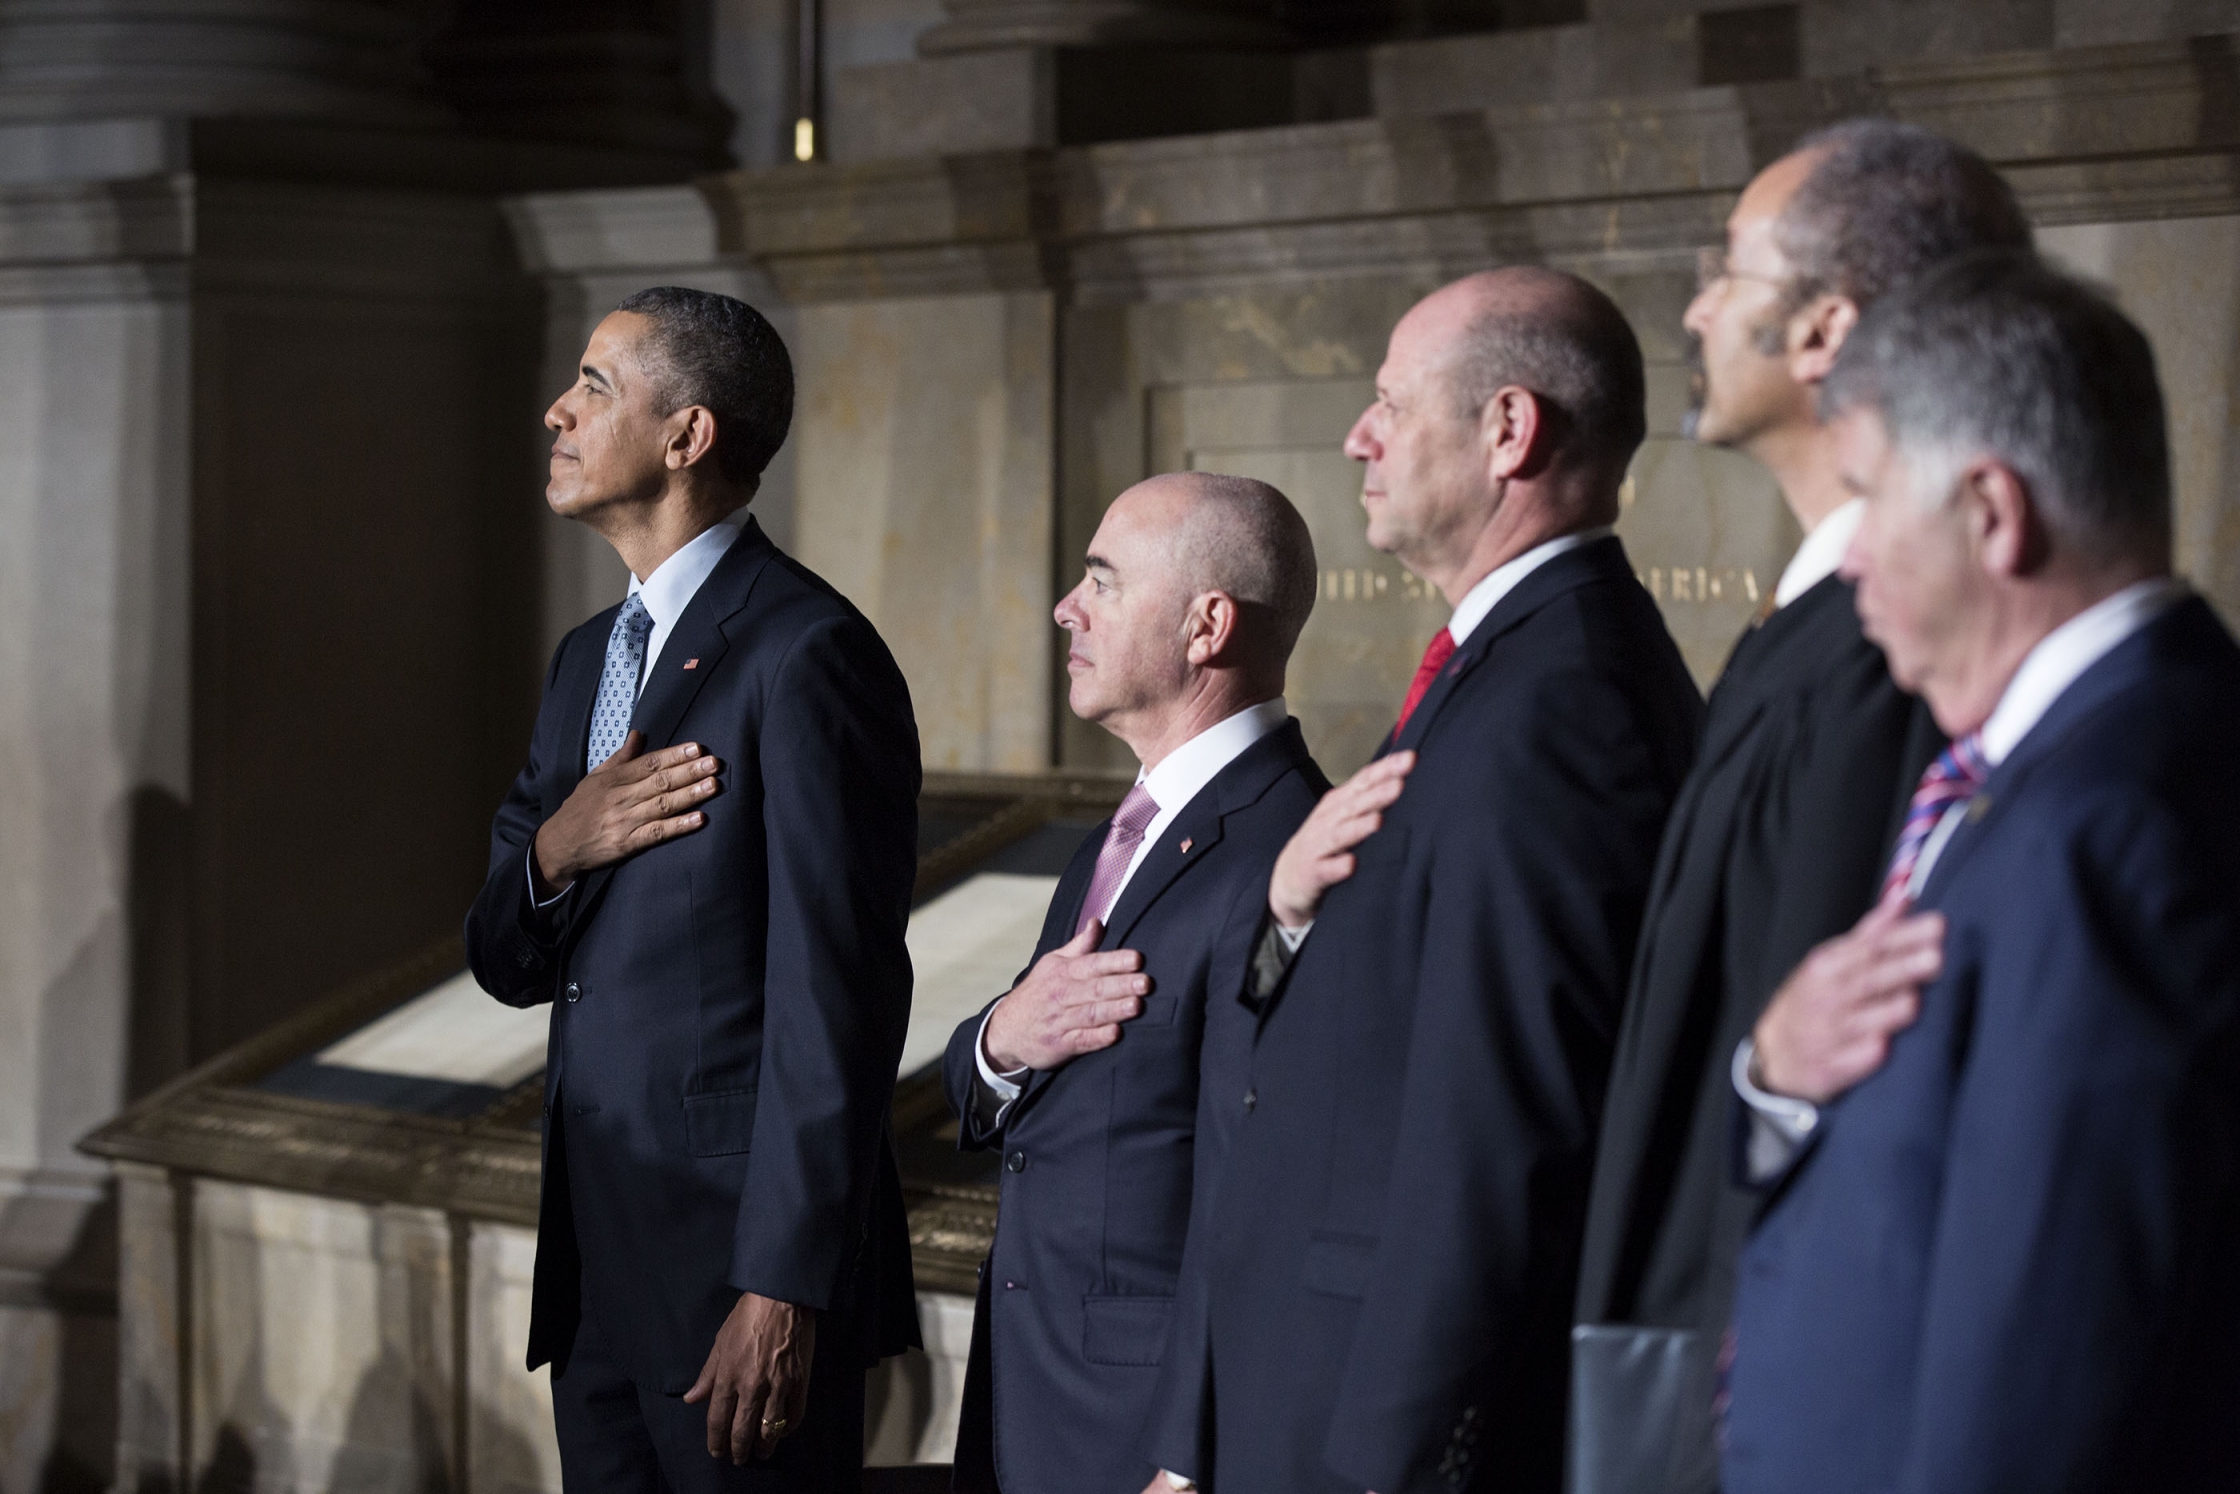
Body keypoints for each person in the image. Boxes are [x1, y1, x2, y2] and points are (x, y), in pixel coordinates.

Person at [1152, 267, 1703, 1494]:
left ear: (1507, 431)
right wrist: (1286, 919)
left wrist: (1400, 1457)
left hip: (1379, 1431)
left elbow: (1503, 1131)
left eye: (1391, 404)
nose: (1357, 435)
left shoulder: (1562, 704)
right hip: (1312, 1390)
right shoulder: (1502, 667)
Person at [1723, 252, 2240, 1493]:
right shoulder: (2043, 765)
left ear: (1989, 514)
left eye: (1865, 503)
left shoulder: (2110, 822)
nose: (1844, 565)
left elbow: (2050, 1343)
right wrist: (1777, 1075)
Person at [1567, 120, 2030, 1491]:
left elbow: (1826, 1072)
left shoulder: (1890, 655)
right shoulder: (1809, 631)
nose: (1698, 307)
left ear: (1825, 328)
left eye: (1728, 270)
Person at [464, 287, 921, 1492]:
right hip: (597, 1275)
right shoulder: (581, 663)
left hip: (735, 1282)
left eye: (594, 386)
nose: (555, 411)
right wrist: (556, 850)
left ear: (687, 436)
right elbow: (503, 956)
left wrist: (783, 1285)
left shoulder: (807, 654)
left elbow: (842, 992)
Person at [942, 471, 1328, 1494]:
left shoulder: (1289, 852)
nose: (1066, 606)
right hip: (1033, 1402)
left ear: (1206, 625)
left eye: (1103, 580)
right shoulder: (1124, 834)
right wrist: (999, 1043)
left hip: (1150, 1441)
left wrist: (1191, 1456)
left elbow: (1272, 1193)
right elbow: (1011, 1087)